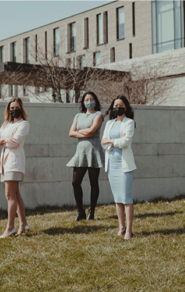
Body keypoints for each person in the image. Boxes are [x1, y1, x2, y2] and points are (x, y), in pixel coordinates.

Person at [0, 97, 30, 238]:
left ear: (21, 108)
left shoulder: (24, 124)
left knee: (9, 195)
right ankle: (23, 223)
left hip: (14, 162)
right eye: (11, 108)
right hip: (5, 163)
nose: (14, 110)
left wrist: (3, 141)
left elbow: (14, 143)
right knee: (15, 194)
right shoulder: (6, 125)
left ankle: (10, 227)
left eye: (16, 107)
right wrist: (3, 140)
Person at [101, 95, 136, 241]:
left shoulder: (129, 122)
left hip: (124, 165)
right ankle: (121, 226)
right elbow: (103, 141)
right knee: (117, 198)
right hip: (112, 164)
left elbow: (126, 141)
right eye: (115, 105)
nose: (117, 108)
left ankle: (129, 229)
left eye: (120, 105)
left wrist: (111, 141)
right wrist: (115, 141)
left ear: (125, 107)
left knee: (126, 197)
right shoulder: (109, 123)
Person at [67, 91, 104, 221]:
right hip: (80, 152)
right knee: (75, 182)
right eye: (86, 99)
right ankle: (80, 210)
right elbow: (71, 133)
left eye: (91, 98)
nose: (89, 101)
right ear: (83, 102)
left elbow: (92, 131)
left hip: (94, 151)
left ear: (95, 100)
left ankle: (92, 211)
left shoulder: (98, 115)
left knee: (94, 182)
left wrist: (79, 132)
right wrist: (84, 133)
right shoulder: (78, 116)